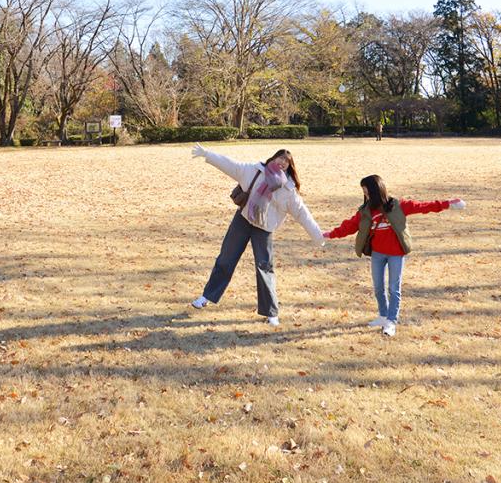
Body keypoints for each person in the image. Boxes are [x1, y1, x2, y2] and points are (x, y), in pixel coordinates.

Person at [188, 143, 324, 326]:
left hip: (264, 229)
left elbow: (302, 214)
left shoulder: (289, 190)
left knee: (264, 268)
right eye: (280, 157)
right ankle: (206, 296)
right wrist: (208, 154)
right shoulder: (255, 171)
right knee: (225, 259)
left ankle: (271, 313)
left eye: (286, 160)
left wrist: (318, 235)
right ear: (274, 158)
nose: (282, 162)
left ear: (290, 166)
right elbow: (231, 165)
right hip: (242, 220)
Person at [323, 174, 465, 337]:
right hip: (377, 254)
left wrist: (448, 204)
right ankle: (383, 316)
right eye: (363, 192)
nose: (366, 195)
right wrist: (329, 234)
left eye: (367, 191)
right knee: (378, 288)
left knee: (393, 288)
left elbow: (424, 206)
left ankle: (391, 321)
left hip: (396, 254)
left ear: (376, 190)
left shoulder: (398, 205)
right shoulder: (366, 211)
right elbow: (349, 226)